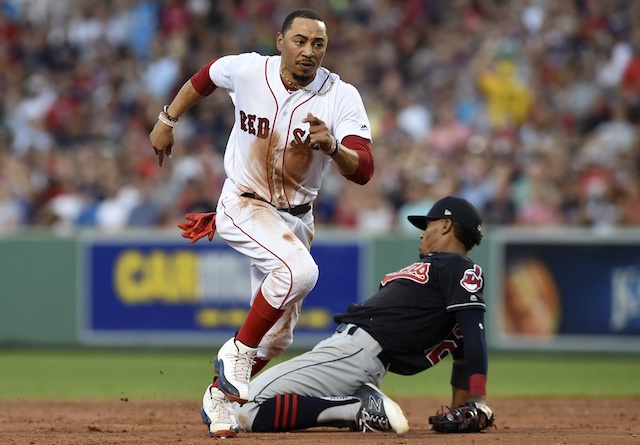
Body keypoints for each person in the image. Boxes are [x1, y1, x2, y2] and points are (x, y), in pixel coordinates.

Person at [148, 8, 374, 437]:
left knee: (277, 341)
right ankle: (237, 350)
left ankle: (218, 395)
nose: (309, 51)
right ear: (280, 41)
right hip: (243, 201)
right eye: (300, 41)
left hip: (295, 221)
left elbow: (363, 169)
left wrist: (334, 148)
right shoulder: (251, 70)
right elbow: (207, 75)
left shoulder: (341, 96)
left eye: (318, 44)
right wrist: (167, 119)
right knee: (300, 272)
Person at [208, 195, 492, 437]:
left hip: (355, 351)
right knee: (245, 407)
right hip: (357, 357)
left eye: (427, 225)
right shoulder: (443, 278)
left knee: (244, 409)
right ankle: (357, 402)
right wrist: (462, 409)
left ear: (445, 225)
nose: (421, 233)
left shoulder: (458, 267)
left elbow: (473, 339)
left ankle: (357, 408)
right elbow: (465, 351)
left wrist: (476, 400)